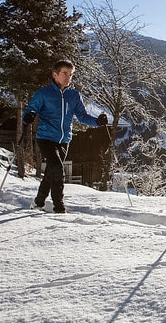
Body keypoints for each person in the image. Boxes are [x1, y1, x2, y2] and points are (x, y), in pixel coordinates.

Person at [22, 59, 108, 213]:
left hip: (64, 140)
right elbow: (30, 110)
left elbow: (81, 116)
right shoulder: (43, 93)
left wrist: (97, 122)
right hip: (46, 138)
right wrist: (29, 115)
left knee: (51, 171)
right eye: (64, 73)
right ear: (55, 74)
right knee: (57, 168)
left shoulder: (74, 95)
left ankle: (38, 202)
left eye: (70, 74)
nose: (68, 77)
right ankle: (59, 206)